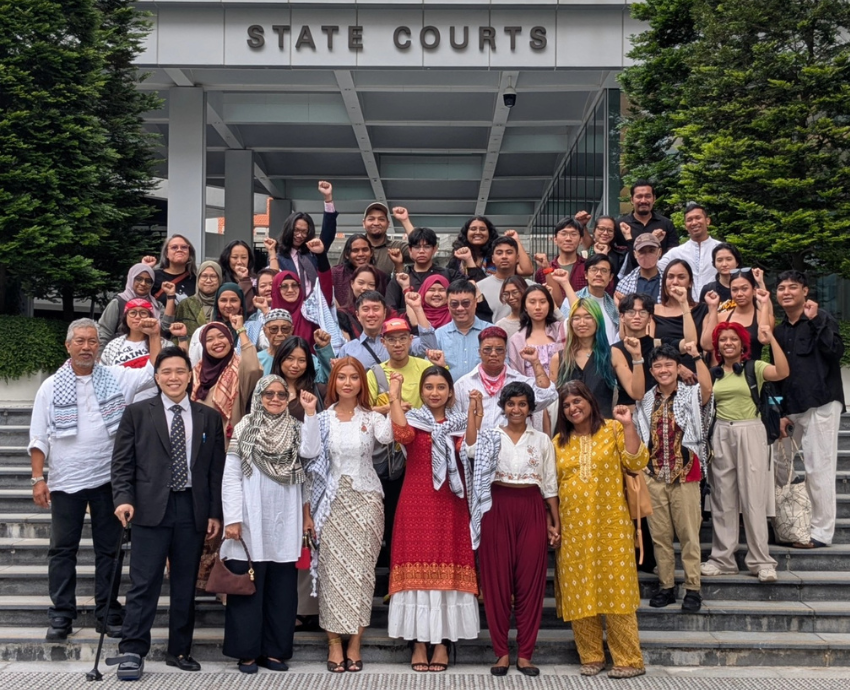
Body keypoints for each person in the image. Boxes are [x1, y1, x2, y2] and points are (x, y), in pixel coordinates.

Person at [28, 318, 160, 641]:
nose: (86, 347)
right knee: (62, 550)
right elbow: (38, 436)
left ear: (98, 347)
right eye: (80, 341)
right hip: (65, 480)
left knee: (110, 550)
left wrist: (155, 335)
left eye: (92, 342)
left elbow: (151, 371)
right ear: (68, 345)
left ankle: (107, 611)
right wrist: (37, 478)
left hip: (107, 479)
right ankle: (61, 615)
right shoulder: (49, 386)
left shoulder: (114, 376)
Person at [109, 347, 225, 680]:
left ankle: (180, 650)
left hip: (192, 508)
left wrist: (215, 512)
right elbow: (121, 464)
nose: (173, 378)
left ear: (190, 375)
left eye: (180, 371)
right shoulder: (137, 413)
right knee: (143, 583)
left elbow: (215, 471)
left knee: (185, 584)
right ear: (157, 377)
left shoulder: (209, 417)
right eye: (166, 372)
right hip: (148, 508)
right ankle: (132, 649)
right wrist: (123, 499)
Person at [299, 358, 395, 673]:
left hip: (366, 501)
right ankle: (334, 644)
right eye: (342, 377)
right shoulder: (322, 418)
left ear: (361, 383)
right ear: (334, 382)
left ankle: (355, 642)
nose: (349, 382)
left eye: (355, 377)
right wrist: (308, 514)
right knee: (330, 575)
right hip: (330, 504)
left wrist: (392, 397)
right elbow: (309, 456)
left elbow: (390, 436)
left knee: (363, 576)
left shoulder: (371, 418)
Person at [552, 382, 649, 678]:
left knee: (617, 589)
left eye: (577, 401)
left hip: (611, 525)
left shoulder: (613, 429)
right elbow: (551, 488)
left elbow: (637, 461)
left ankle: (629, 659)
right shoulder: (558, 442)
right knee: (579, 589)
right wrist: (553, 522)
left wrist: (629, 426)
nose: (573, 408)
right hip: (573, 528)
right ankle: (591, 655)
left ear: (590, 401)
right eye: (567, 405)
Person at [386, 367, 478, 671]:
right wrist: (395, 394)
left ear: (451, 392)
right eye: (429, 387)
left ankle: (442, 643)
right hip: (416, 503)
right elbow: (401, 435)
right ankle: (419, 644)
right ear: (422, 391)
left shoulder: (460, 422)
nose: (435, 392)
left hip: (451, 504)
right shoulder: (414, 419)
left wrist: (476, 415)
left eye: (441, 387)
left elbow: (472, 449)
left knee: (447, 573)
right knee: (417, 574)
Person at [465, 382, 560, 677]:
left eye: (522, 404)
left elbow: (549, 483)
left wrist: (554, 520)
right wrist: (473, 411)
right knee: (497, 582)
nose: (516, 409)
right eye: (511, 404)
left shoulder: (542, 440)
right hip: (497, 506)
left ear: (531, 408)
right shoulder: (491, 436)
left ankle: (526, 654)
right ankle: (502, 653)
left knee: (530, 582)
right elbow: (469, 449)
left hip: (531, 506)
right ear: (503, 407)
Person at [221, 375, 306, 674]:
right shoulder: (244, 428)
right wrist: (232, 518)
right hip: (249, 518)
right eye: (268, 394)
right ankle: (246, 652)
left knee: (281, 590)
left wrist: (310, 413)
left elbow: (312, 453)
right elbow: (231, 475)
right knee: (247, 587)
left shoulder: (296, 430)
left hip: (285, 517)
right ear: (258, 396)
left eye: (281, 395)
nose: (274, 399)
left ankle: (274, 651)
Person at [701, 321, 789, 582]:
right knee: (722, 497)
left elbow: (783, 371)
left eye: (733, 339)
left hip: (750, 430)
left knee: (753, 496)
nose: (728, 343)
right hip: (721, 432)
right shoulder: (714, 373)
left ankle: (761, 561)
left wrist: (770, 338)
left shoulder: (754, 368)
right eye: (723, 340)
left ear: (742, 345)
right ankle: (722, 558)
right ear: (717, 346)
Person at [633, 344, 712, 613]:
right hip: (654, 475)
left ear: (678, 368)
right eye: (658, 366)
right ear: (652, 371)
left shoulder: (690, 394)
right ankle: (666, 586)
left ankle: (692, 588)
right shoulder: (645, 399)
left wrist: (697, 357)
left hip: (685, 474)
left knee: (689, 535)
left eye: (669, 365)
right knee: (660, 536)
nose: (663, 370)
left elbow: (707, 390)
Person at [775, 270, 846, 548]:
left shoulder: (822, 317)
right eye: (781, 288)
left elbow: (835, 352)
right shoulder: (780, 330)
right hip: (792, 404)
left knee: (820, 467)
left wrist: (816, 320)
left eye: (793, 287)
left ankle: (821, 532)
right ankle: (788, 520)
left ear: (805, 291)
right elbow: (780, 374)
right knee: (779, 463)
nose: (787, 292)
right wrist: (779, 411)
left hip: (822, 402)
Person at [550, 299, 646, 419]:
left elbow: (637, 394)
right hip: (569, 432)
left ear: (597, 320)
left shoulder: (613, 354)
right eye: (576, 318)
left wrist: (637, 358)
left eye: (588, 317)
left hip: (602, 431)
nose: (582, 323)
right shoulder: (559, 359)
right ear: (570, 323)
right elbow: (551, 403)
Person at [454, 326, 558, 433]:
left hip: (513, 447)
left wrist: (535, 361)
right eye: (487, 349)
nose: (493, 354)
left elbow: (548, 395)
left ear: (505, 352)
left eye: (499, 350)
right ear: (479, 352)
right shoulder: (463, 385)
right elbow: (455, 423)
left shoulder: (520, 382)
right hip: (476, 447)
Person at [191, 320, 263, 440]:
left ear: (230, 340)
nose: (217, 342)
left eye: (221, 336)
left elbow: (253, 368)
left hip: (230, 444)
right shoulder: (197, 372)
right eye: (209, 340)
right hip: (203, 442)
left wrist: (241, 331)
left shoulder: (239, 369)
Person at [271, 181, 338, 296]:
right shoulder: (279, 256)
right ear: (289, 229)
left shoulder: (313, 252)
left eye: (304, 232)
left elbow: (328, 233)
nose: (299, 235)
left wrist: (328, 199)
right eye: (296, 230)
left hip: (314, 307)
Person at [100, 299, 171, 397]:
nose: (137, 317)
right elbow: (103, 376)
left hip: (155, 401)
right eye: (133, 313)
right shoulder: (112, 346)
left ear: (151, 317)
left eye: (143, 313)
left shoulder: (165, 344)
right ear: (125, 317)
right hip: (121, 401)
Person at [270, 244, 334, 352]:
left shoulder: (310, 312)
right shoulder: (267, 317)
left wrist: (321, 255)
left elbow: (326, 290)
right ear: (276, 290)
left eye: (295, 285)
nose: (290, 290)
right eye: (284, 286)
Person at [183, 282, 263, 366]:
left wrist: (264, 310)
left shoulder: (253, 327)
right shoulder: (203, 331)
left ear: (241, 303)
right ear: (217, 303)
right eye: (223, 300)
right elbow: (194, 364)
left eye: (233, 300)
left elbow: (270, 346)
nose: (228, 305)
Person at [701, 269, 774, 362]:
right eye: (734, 290)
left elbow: (764, 339)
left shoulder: (763, 317)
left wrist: (764, 304)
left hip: (752, 372)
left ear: (754, 291)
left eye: (744, 289)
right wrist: (713, 308)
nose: (739, 294)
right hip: (725, 373)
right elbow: (707, 345)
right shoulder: (721, 317)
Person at [385, 227, 462, 312]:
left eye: (427, 247)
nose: (421, 251)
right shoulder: (401, 278)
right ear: (410, 250)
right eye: (417, 247)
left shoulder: (449, 275)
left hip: (442, 324)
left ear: (434, 249)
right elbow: (390, 308)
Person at [657, 203, 722, 301]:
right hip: (686, 307)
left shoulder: (721, 249)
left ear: (707, 221)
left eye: (698, 218)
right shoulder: (676, 253)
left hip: (716, 304)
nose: (694, 222)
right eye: (689, 220)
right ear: (685, 225)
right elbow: (653, 269)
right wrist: (654, 242)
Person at [652, 260, 709, 372]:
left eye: (681, 277)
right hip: (663, 371)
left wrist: (684, 304)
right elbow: (650, 345)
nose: (675, 282)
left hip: (695, 370)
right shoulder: (653, 310)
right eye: (670, 277)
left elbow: (691, 343)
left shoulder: (702, 309)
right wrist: (678, 368)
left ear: (690, 283)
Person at [552, 253, 620, 344]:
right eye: (594, 269)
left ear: (611, 277)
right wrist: (565, 283)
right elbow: (564, 329)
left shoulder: (614, 305)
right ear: (586, 275)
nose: (599, 274)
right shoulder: (571, 298)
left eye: (604, 270)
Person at [433, 280, 493, 379]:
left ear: (475, 303)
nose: (460, 308)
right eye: (454, 304)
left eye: (465, 303)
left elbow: (503, 367)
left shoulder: (492, 332)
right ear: (448, 305)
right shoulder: (439, 335)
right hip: (450, 392)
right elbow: (432, 371)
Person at [616, 179, 678, 274]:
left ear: (654, 199)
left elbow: (673, 256)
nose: (643, 200)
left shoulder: (666, 224)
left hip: (659, 279)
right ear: (632, 200)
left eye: (648, 196)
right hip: (627, 282)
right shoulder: (621, 225)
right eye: (639, 196)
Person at [97, 263, 161, 350]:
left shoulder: (156, 305)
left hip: (150, 354)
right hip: (118, 355)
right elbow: (104, 334)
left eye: (148, 281)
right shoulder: (118, 303)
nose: (143, 283)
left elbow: (165, 329)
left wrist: (170, 298)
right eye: (139, 279)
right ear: (131, 279)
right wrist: (100, 359)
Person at [507, 285, 563, 378]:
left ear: (549, 304)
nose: (538, 307)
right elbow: (516, 375)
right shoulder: (516, 340)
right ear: (525, 307)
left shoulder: (560, 330)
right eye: (532, 302)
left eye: (543, 302)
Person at [332, 233, 388, 309]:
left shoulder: (381, 277)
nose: (361, 254)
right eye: (355, 250)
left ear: (371, 252)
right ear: (347, 255)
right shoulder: (335, 274)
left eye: (365, 250)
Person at [532, 217, 589, 290]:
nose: (568, 238)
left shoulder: (588, 267)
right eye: (563, 234)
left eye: (573, 234)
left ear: (581, 240)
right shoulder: (543, 271)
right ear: (555, 239)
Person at [357, 202, 411, 274]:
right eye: (371, 219)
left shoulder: (397, 247)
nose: (376, 223)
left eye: (381, 219)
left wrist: (405, 220)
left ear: (388, 224)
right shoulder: (354, 246)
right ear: (363, 223)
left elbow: (422, 250)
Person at [174, 261, 222, 340]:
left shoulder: (224, 304)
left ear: (219, 279)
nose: (208, 280)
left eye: (213, 276)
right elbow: (175, 336)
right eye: (204, 276)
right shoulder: (186, 304)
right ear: (198, 279)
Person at [477, 236, 521, 322]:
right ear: (493, 259)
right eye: (499, 253)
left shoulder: (528, 286)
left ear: (517, 258)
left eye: (509, 252)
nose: (504, 256)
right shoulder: (479, 287)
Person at [146, 234, 198, 305]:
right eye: (174, 247)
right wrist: (144, 268)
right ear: (166, 253)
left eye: (184, 247)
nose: (179, 250)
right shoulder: (153, 276)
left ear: (189, 253)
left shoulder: (196, 279)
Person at [336, 266, 383, 341]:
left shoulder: (383, 312)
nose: (365, 288)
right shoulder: (343, 314)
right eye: (361, 283)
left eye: (371, 284)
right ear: (352, 283)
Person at [615, 233, 663, 304]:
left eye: (651, 251)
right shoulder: (624, 284)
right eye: (642, 251)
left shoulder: (669, 281)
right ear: (635, 254)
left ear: (659, 252)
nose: (647, 255)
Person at [218, 240, 257, 310]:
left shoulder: (255, 280)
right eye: (235, 257)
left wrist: (244, 279)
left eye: (244, 257)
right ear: (227, 258)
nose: (239, 262)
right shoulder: (219, 278)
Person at [588, 215, 628, 280]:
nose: (605, 233)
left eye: (610, 230)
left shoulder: (621, 255)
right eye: (601, 229)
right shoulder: (586, 253)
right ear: (594, 230)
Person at [258, 309, 293, 374]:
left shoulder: (302, 358)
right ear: (265, 331)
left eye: (285, 329)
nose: (279, 334)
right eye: (274, 329)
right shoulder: (256, 359)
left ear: (291, 330)